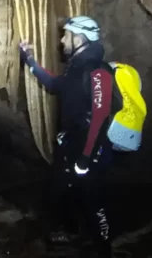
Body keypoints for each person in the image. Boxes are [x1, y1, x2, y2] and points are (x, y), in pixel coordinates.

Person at [18, 15, 122, 258]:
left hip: (89, 153)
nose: (62, 40)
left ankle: (104, 249)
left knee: (95, 205)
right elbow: (53, 84)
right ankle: (68, 237)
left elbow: (99, 118)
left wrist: (85, 159)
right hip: (69, 149)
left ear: (79, 38)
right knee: (56, 195)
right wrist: (29, 59)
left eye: (66, 35)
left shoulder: (99, 71)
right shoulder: (74, 70)